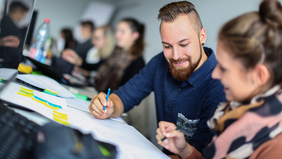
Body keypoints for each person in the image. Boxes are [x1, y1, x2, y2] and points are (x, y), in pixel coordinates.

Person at [89, 1, 225, 154]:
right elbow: (124, 96)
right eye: (167, 46)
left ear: (202, 36)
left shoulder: (221, 84)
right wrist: (109, 107)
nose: (176, 56)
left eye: (184, 44)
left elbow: (204, 155)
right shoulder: (159, 62)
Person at [156, 0, 282, 158]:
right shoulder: (233, 112)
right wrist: (184, 150)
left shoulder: (275, 148)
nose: (215, 74)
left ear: (259, 75)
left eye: (224, 68)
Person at [94, 18, 146, 92]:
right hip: (97, 91)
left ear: (135, 35)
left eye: (122, 32)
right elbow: (99, 66)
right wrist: (80, 62)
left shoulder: (137, 63)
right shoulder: (116, 52)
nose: (117, 35)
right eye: (117, 31)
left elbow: (127, 91)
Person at [0, 1, 29, 68]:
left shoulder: (7, 22)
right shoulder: (9, 25)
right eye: (24, 14)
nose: (23, 17)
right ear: (18, 12)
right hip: (7, 63)